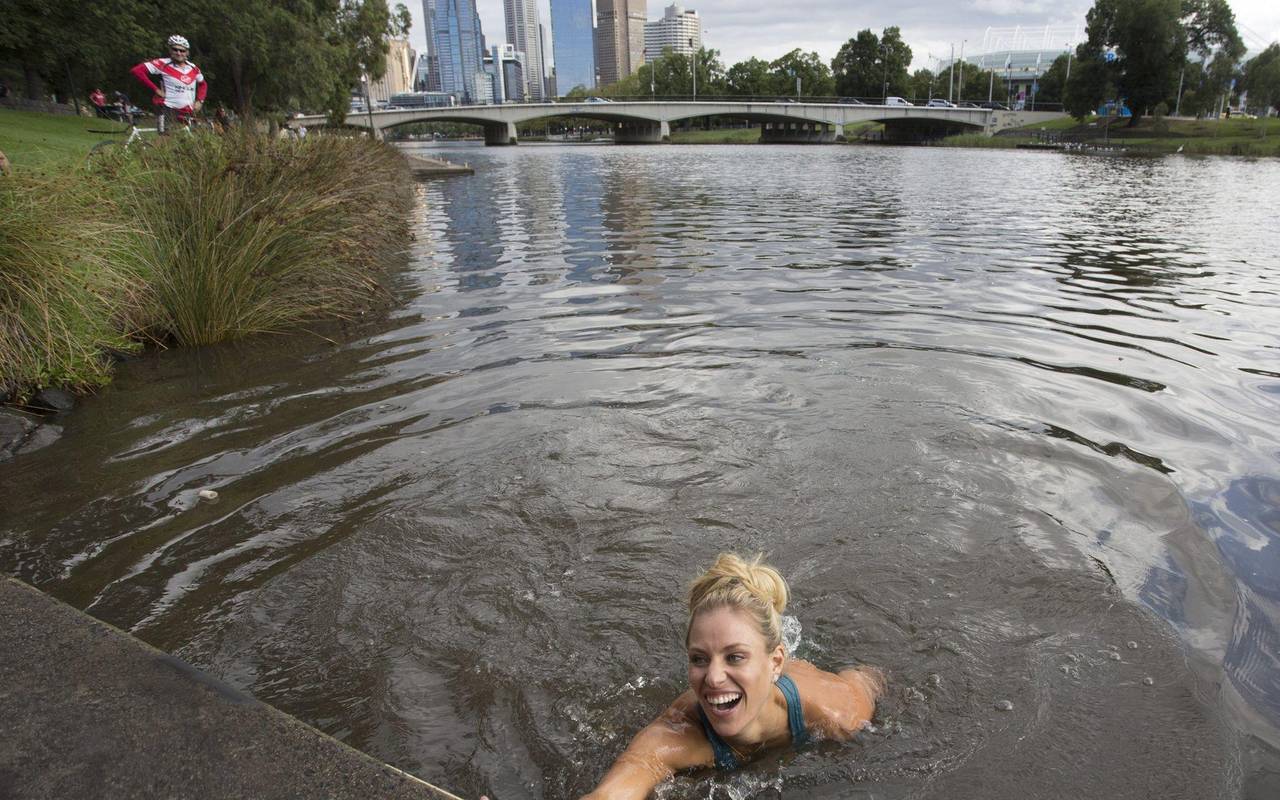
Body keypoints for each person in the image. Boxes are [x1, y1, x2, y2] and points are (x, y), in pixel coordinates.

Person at [581, 553, 883, 800]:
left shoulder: (837, 711)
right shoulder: (674, 737)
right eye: (699, 659)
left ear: (776, 661)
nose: (712, 678)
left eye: (735, 657)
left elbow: (873, 678)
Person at [130, 34, 206, 134]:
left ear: (187, 52)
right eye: (175, 49)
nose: (179, 53)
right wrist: (156, 89)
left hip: (188, 110)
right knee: (166, 138)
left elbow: (203, 84)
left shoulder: (193, 68)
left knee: (193, 138)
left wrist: (200, 100)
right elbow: (136, 71)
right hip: (167, 108)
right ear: (170, 50)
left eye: (182, 50)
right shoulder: (162, 63)